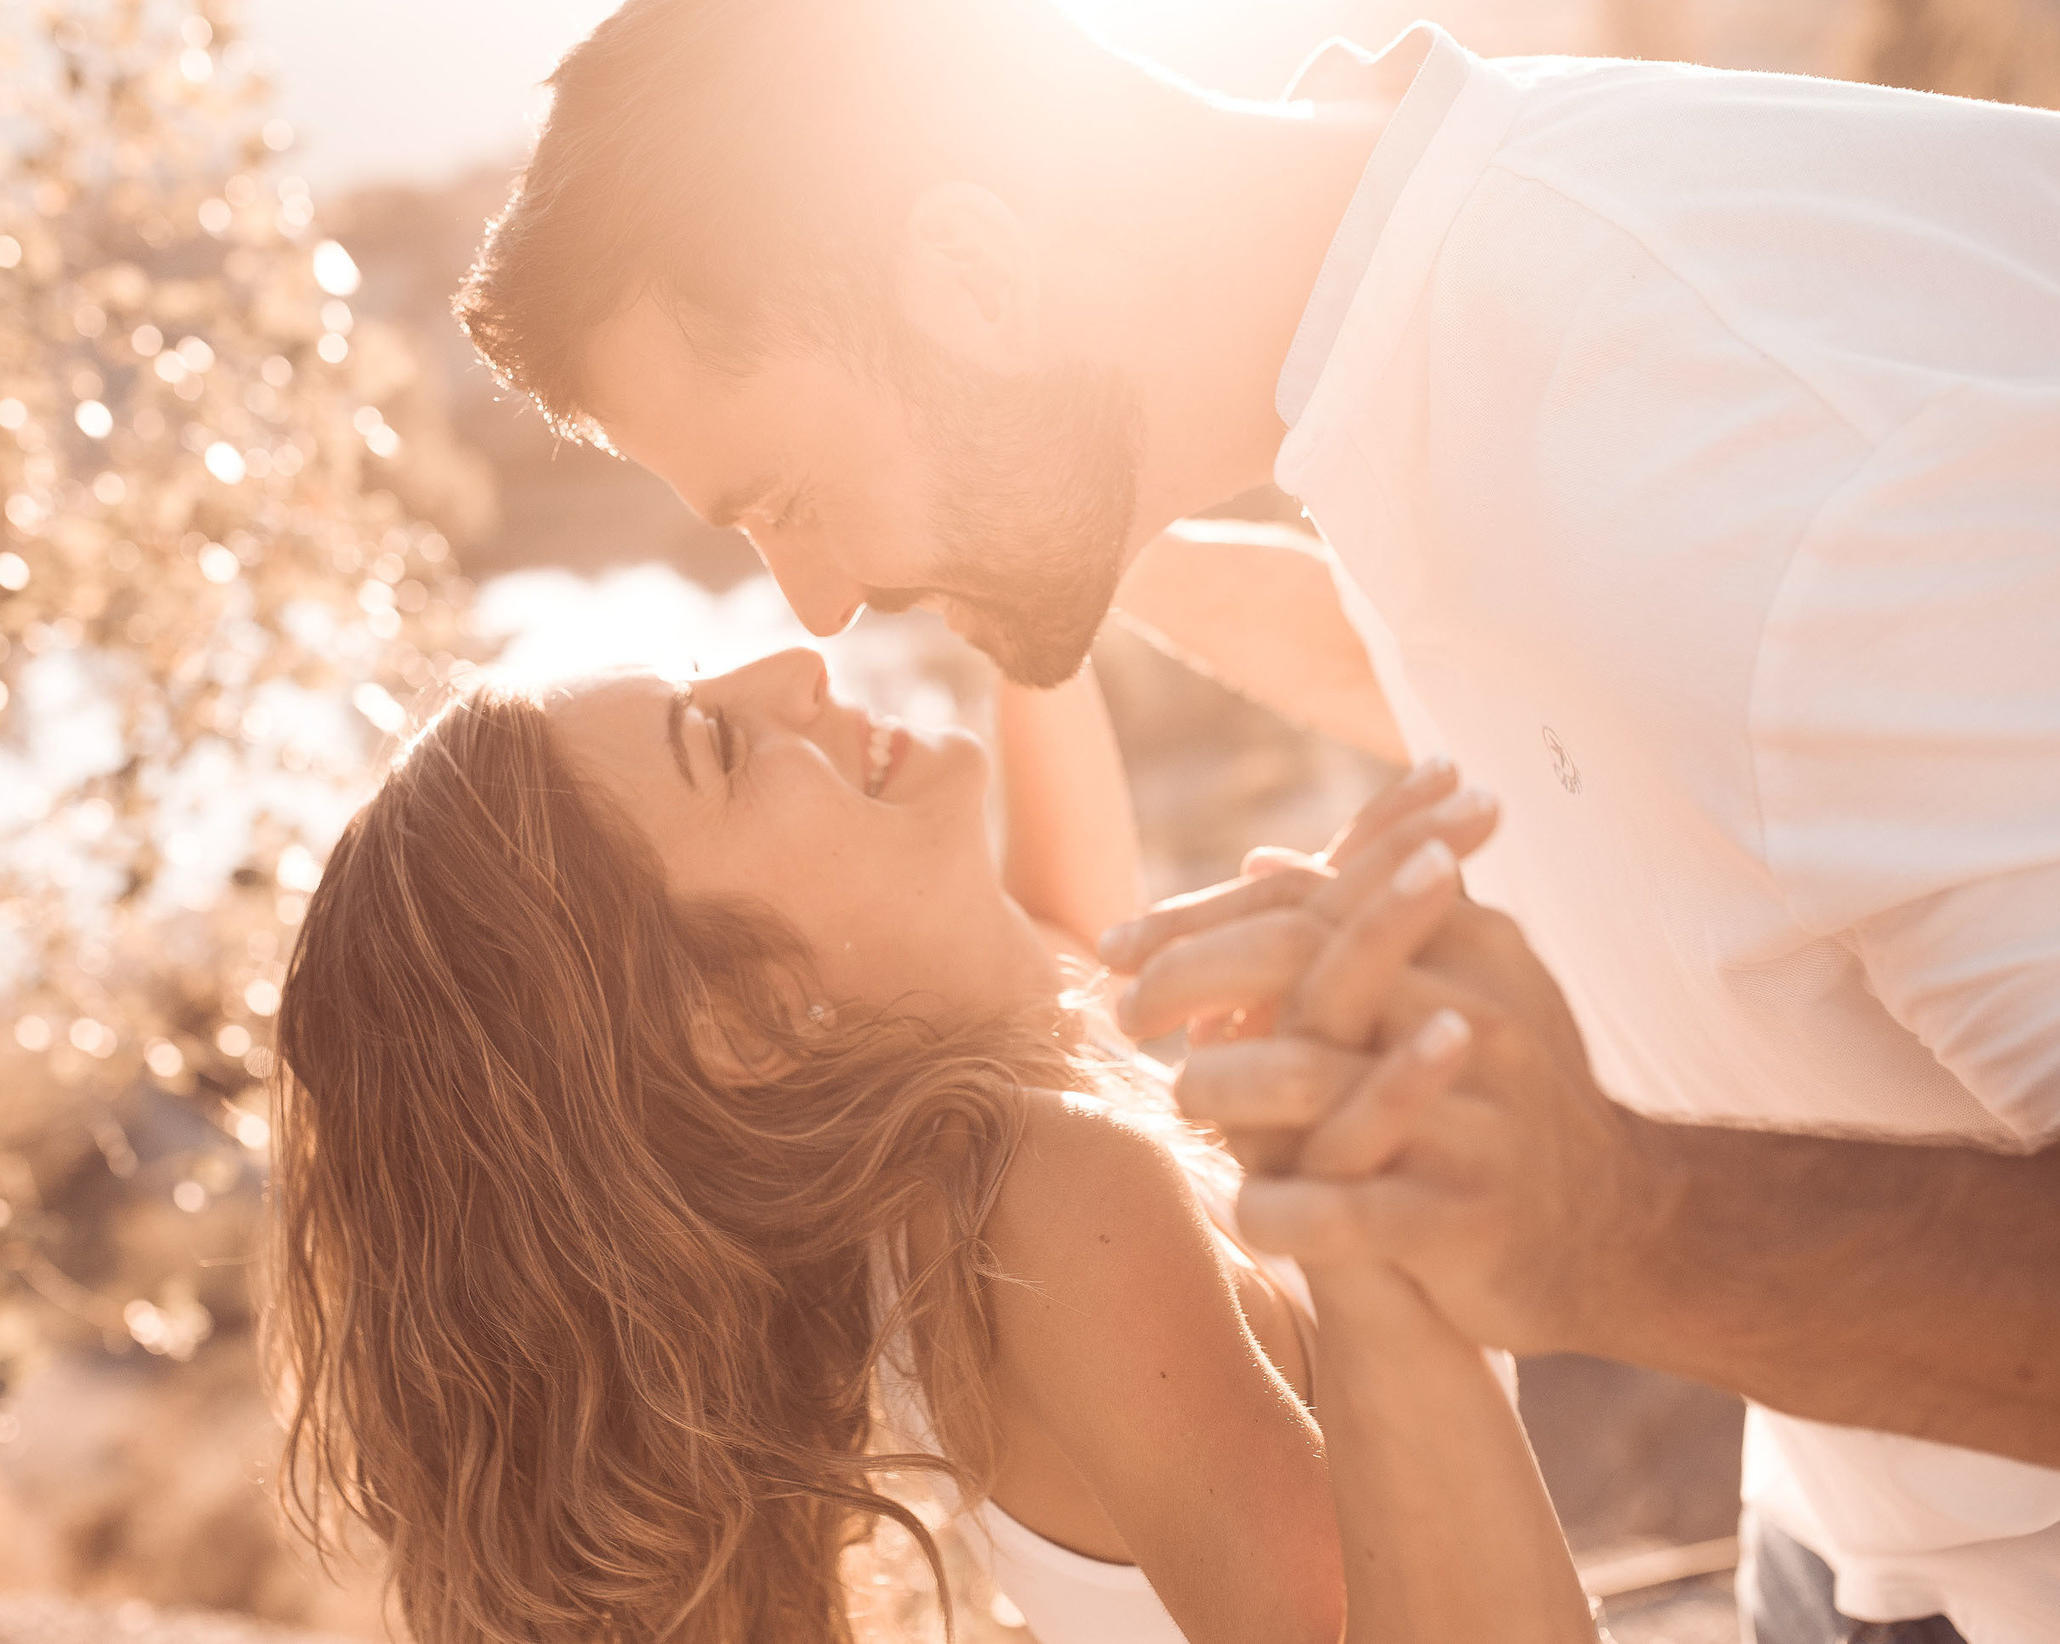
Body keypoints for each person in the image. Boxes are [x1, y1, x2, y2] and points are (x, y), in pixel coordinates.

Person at [452, 0, 2060, 1640]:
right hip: (1852, 1521)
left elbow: (1768, 591)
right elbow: (1672, 693)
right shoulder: (1453, 309)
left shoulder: (1791, 440)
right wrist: (1035, 557)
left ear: (975, 276)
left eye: (788, 496)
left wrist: (1616, 1226)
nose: (812, 605)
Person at [265, 644, 1595, 1643]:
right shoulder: (1048, 1197)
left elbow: (1062, 939)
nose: (792, 664)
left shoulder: (969, 1139)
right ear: (743, 1017)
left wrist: (1025, 622)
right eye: (716, 744)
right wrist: (1369, 1226)